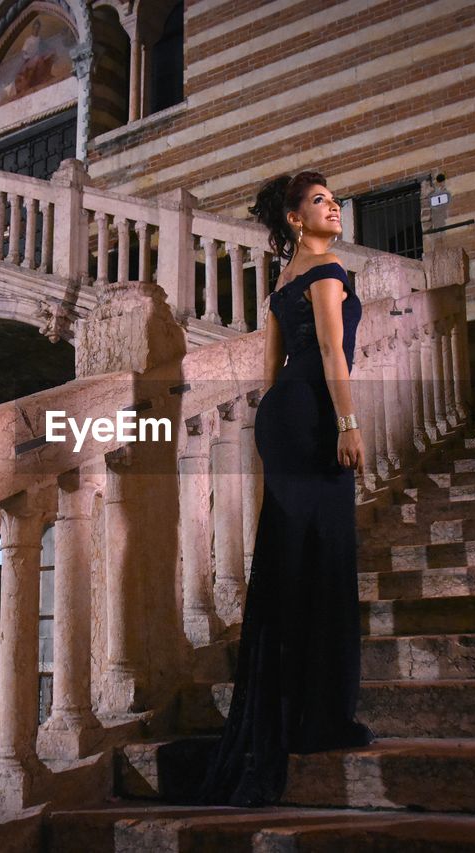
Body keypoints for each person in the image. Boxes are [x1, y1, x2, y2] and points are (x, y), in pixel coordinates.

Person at [196, 170, 374, 807]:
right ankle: (319, 715)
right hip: (317, 414)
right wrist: (349, 424)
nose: (335, 208)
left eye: (334, 198)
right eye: (322, 201)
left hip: (283, 417)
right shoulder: (326, 273)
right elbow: (334, 355)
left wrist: (279, 429)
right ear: (297, 219)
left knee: (286, 566)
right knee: (325, 563)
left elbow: (269, 373)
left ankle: (287, 712)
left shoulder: (279, 284)